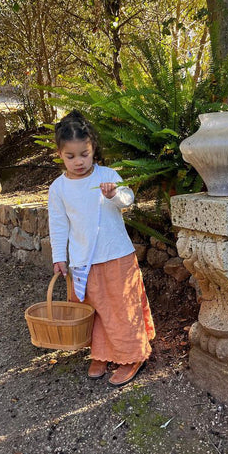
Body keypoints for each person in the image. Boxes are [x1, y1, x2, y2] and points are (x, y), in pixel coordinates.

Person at [48, 110, 155, 386]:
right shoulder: (58, 188)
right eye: (70, 156)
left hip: (116, 255)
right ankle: (101, 352)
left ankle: (132, 356)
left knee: (121, 308)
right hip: (83, 261)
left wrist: (114, 194)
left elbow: (128, 198)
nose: (79, 161)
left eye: (84, 154)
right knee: (93, 309)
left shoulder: (107, 175)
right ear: (60, 154)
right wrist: (60, 257)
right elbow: (59, 225)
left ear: (93, 147)